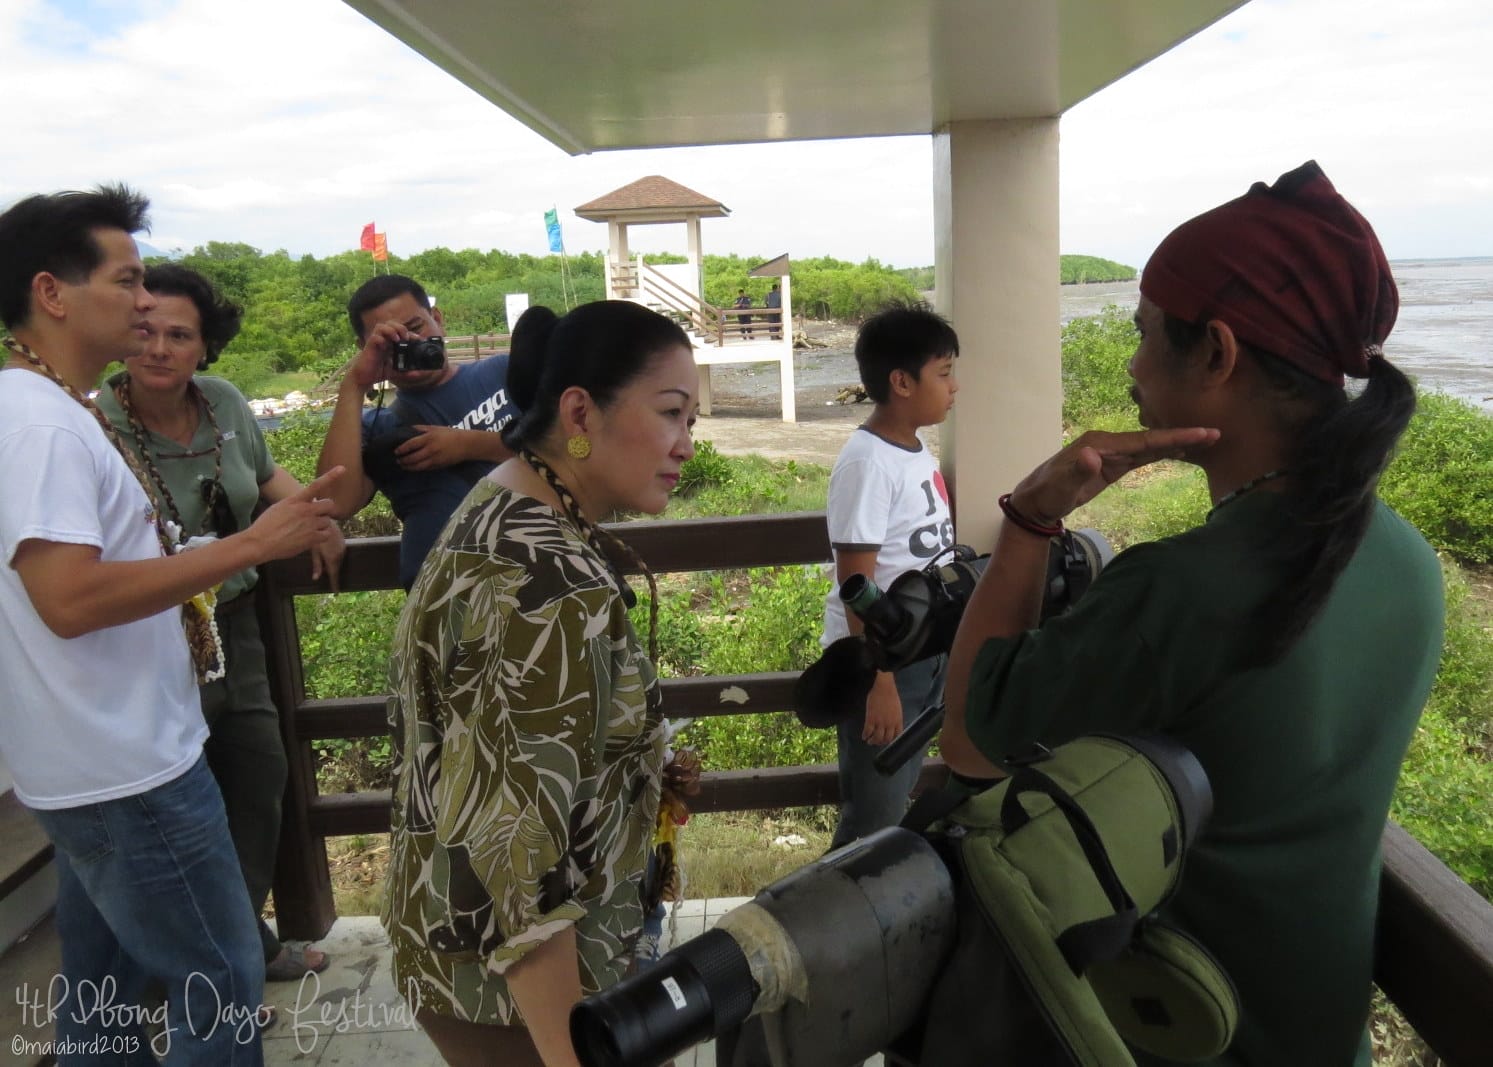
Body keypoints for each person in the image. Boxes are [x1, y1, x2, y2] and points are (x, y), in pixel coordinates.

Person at [940, 160, 1444, 1064]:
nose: (1131, 364)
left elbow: (970, 740)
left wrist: (1028, 518)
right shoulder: (1404, 559)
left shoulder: (1183, 586)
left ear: (1215, 351)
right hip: (1322, 1036)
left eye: (1142, 335)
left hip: (1181, 1038)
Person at [0, 185, 342, 1063]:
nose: (145, 302)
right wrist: (250, 545)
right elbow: (69, 599)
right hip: (126, 769)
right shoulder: (39, 421)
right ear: (53, 293)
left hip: (94, 759)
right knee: (219, 981)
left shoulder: (50, 407)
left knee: (101, 989)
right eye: (128, 279)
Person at [382, 299, 697, 1067]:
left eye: (693, 420)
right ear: (580, 409)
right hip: (510, 988)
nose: (687, 446)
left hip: (470, 947)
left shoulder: (506, 496)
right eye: (670, 413)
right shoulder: (544, 586)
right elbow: (516, 863)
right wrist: (570, 1052)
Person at [95, 263, 339, 984]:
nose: (159, 348)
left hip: (236, 629)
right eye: (145, 331)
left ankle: (241, 945)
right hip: (153, 638)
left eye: (179, 334)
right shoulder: (96, 424)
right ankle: (208, 971)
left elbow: (275, 488)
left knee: (259, 780)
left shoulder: (226, 405)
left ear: (206, 347)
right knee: (181, 807)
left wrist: (322, 524)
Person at [823, 303, 959, 850]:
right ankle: (823, 927)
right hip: (880, 664)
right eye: (944, 373)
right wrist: (878, 680)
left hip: (917, 652)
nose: (955, 387)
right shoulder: (867, 462)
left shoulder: (912, 446)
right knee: (870, 822)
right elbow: (857, 580)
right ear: (901, 382)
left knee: (893, 803)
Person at [316, 274, 520, 589]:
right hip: (441, 595)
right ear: (366, 347)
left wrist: (470, 445)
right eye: (388, 341)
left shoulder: (503, 373)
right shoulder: (378, 427)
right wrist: (355, 385)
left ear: (437, 319)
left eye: (415, 328)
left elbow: (576, 450)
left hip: (533, 573)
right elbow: (335, 501)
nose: (408, 344)